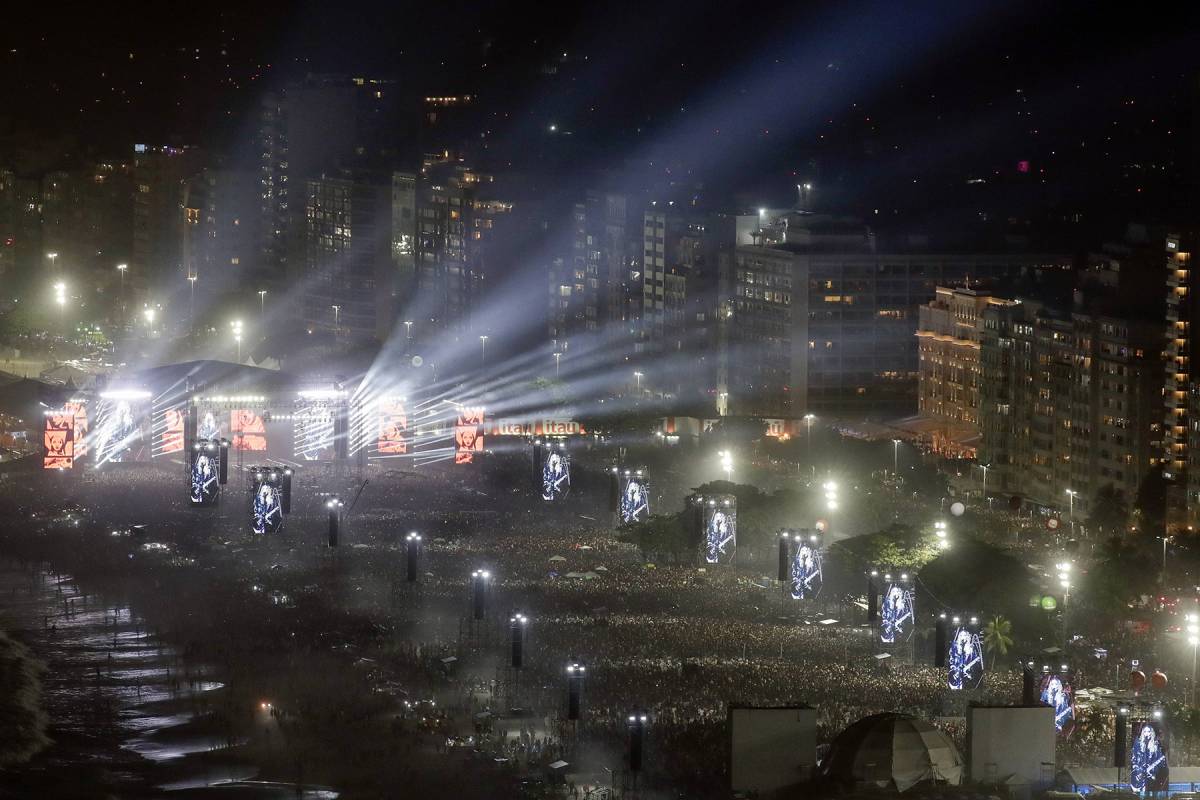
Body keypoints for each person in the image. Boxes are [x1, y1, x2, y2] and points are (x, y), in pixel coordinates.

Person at [1130, 721, 1167, 795]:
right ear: (1143, 732)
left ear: (1151, 733)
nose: (1147, 733)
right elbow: (1133, 757)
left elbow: (1159, 760)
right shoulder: (1138, 743)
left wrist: (1154, 769)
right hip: (1138, 772)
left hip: (1150, 774)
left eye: (1148, 731)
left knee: (1150, 793)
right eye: (1145, 731)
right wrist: (1137, 769)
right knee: (1138, 794)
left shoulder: (1155, 744)